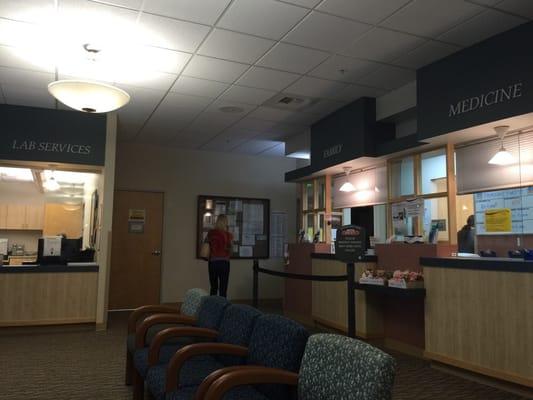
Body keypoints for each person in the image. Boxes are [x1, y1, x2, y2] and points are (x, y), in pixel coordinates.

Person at [206, 214, 233, 297]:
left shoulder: (211, 233)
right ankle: (223, 308)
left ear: (217, 221)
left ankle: (212, 307)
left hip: (213, 262)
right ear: (225, 222)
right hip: (224, 263)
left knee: (213, 287)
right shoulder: (229, 235)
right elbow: (231, 251)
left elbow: (206, 246)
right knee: (223, 288)